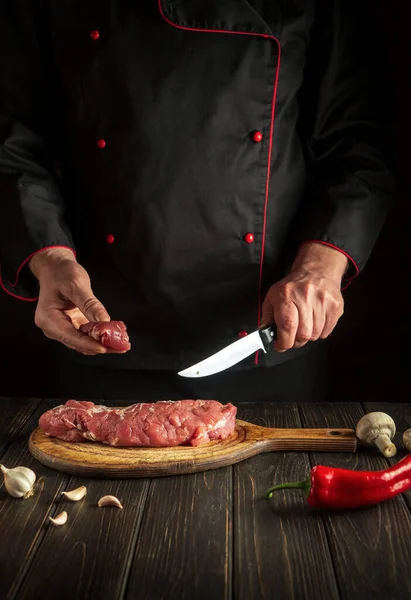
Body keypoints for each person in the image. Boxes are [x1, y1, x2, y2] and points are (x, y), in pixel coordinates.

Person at [0, 0, 395, 403]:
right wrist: (50, 260)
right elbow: (11, 138)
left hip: (271, 334)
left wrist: (319, 268)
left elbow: (358, 146)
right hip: (95, 324)